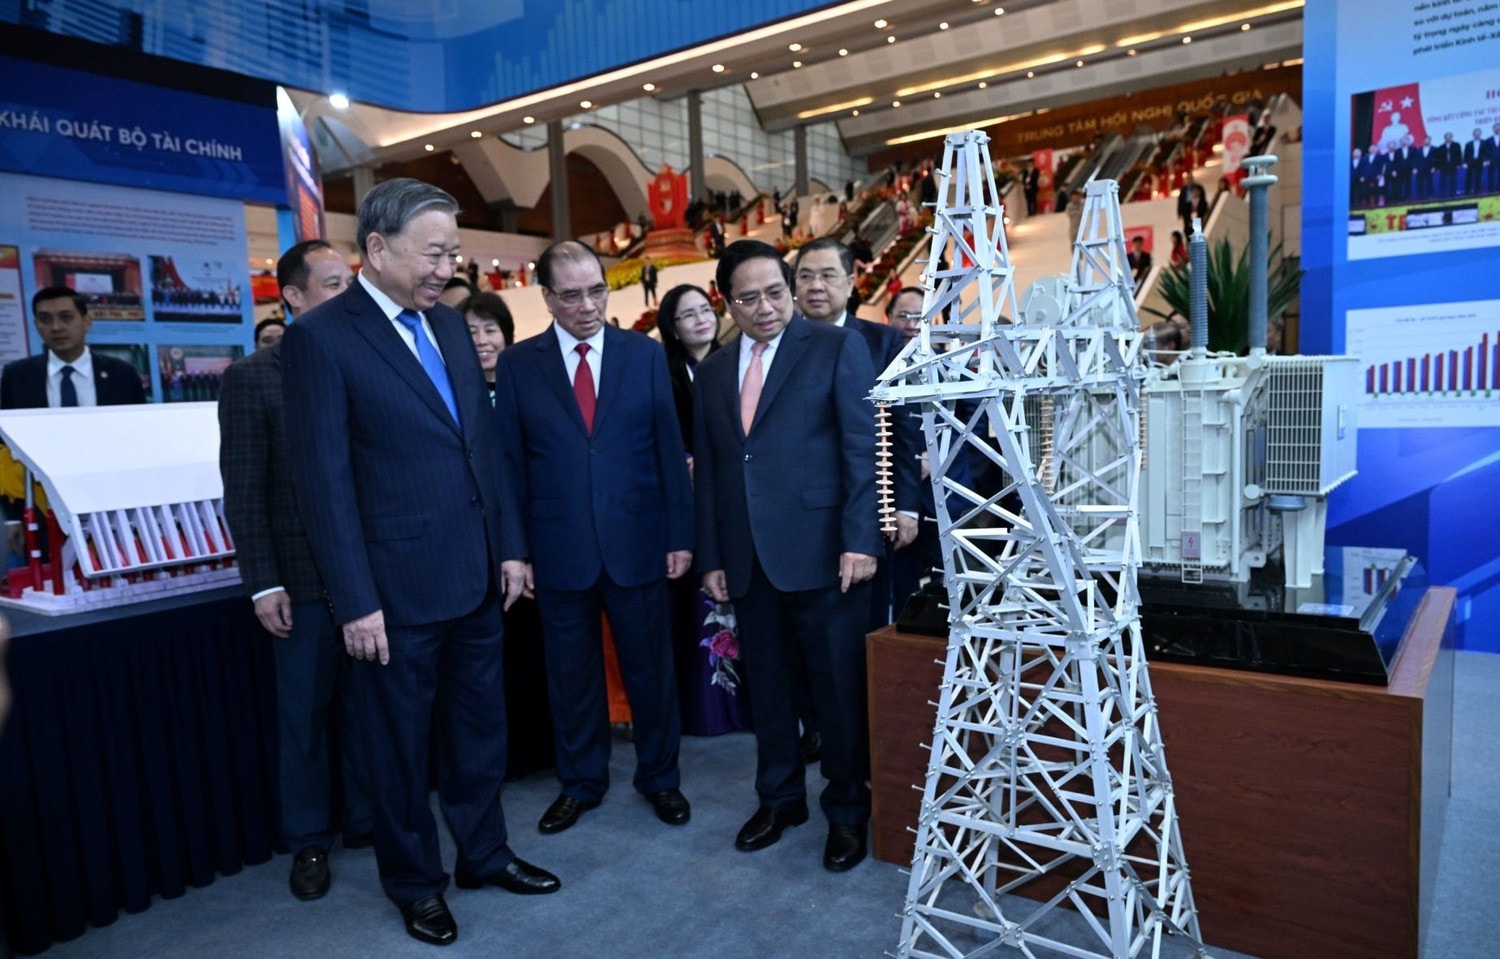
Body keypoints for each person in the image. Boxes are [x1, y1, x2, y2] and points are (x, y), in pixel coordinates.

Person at [281, 178, 558, 948]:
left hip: (474, 576)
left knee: (479, 731)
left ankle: (485, 853)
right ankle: (414, 882)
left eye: (453, 253)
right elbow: (323, 483)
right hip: (391, 593)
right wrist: (353, 598)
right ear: (377, 247)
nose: (446, 268)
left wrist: (509, 547)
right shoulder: (322, 338)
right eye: (433, 253)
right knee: (399, 749)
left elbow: (483, 448)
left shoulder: (448, 326)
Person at [492, 241, 693, 837]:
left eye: (596, 291)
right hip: (558, 549)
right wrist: (514, 550)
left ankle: (661, 777)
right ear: (548, 298)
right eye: (572, 295)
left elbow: (668, 450)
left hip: (639, 540)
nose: (587, 306)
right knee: (571, 678)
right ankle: (581, 782)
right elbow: (509, 465)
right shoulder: (519, 365)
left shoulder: (644, 355)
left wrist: (679, 535)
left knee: (650, 671)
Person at [692, 239, 880, 873]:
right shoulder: (714, 372)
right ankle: (779, 799)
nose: (766, 307)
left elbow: (862, 449)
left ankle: (847, 809)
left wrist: (861, 538)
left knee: (837, 691)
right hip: (747, 558)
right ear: (727, 302)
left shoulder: (835, 347)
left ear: (790, 287)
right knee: (768, 690)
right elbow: (712, 471)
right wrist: (713, 555)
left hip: (827, 554)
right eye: (748, 298)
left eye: (776, 292)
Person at [218, 238, 370, 903]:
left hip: (368, 576)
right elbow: (244, 490)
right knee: (304, 717)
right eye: (334, 284)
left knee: (370, 709)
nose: (348, 296)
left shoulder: (365, 362)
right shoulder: (251, 378)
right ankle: (309, 838)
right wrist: (264, 581)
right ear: (293, 296)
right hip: (300, 583)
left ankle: (369, 817)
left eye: (351, 283)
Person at [792, 237, 920, 629]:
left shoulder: (882, 340)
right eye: (806, 276)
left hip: (868, 505)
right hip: (800, 509)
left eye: (828, 276)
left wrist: (905, 505)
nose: (816, 286)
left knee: (866, 623)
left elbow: (901, 427)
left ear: (850, 283)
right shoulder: (780, 345)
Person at [655, 283, 749, 737]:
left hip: (734, 498)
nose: (701, 320)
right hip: (687, 501)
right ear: (672, 328)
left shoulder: (737, 361)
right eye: (688, 314)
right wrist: (684, 463)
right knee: (699, 599)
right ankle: (706, 709)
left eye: (705, 310)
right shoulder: (663, 373)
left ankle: (748, 707)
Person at [1, 287, 147, 409]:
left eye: (66, 317)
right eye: (45, 319)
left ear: (87, 322)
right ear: (36, 326)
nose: (56, 327)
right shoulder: (16, 376)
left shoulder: (122, 374)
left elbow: (137, 426)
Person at [459, 291, 514, 405]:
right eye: (472, 332)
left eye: (490, 331)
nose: (481, 341)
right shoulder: (456, 392)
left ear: (506, 335)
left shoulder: (525, 381)